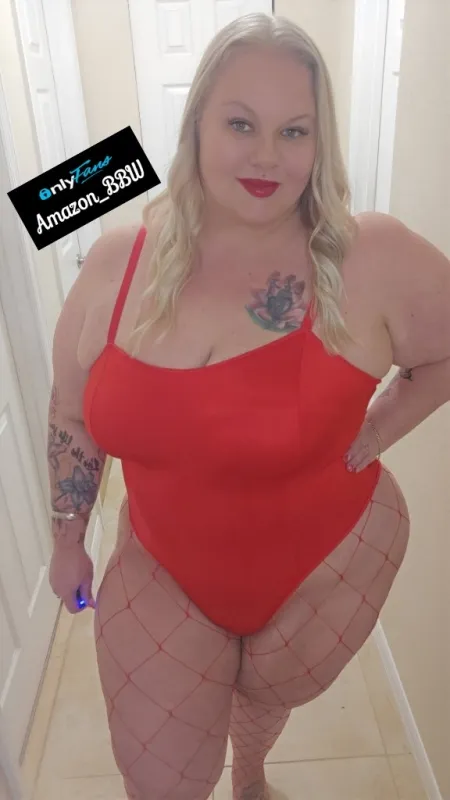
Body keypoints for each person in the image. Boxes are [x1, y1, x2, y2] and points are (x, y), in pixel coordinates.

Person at [47, 12, 450, 800]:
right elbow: (69, 412)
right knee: (161, 782)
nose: (267, 155)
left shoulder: (371, 255)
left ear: (319, 144)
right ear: (197, 123)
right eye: (240, 124)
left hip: (324, 562)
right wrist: (69, 538)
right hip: (162, 566)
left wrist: (382, 425)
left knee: (262, 699)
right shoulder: (114, 261)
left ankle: (252, 773)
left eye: (294, 131)